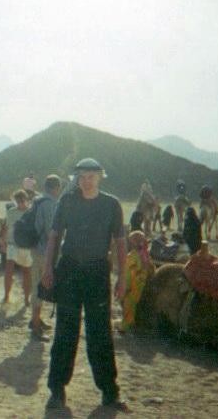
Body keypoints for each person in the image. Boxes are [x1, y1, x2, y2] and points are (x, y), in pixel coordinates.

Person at [40, 158, 128, 411]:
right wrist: (48, 268)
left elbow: (120, 241)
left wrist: (122, 278)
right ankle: (57, 390)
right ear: (77, 179)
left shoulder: (111, 204)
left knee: (100, 332)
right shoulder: (67, 202)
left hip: (97, 272)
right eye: (82, 177)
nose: (87, 181)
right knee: (65, 331)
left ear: (100, 177)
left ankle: (109, 392)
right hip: (69, 271)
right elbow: (54, 235)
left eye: (91, 176)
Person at [29, 174, 62, 340]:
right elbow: (51, 231)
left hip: (35, 248)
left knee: (37, 284)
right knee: (40, 287)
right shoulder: (50, 204)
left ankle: (36, 319)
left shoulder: (37, 201)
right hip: (44, 250)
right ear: (56, 187)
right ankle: (35, 326)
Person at [118, 230, 155, 333]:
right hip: (143, 284)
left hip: (134, 286)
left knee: (128, 305)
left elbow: (128, 275)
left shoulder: (131, 257)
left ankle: (125, 326)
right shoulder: (145, 255)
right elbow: (152, 270)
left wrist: (125, 287)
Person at [0, 190, 32, 306]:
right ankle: (6, 296)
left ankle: (26, 298)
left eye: (22, 200)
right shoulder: (11, 212)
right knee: (9, 269)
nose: (20, 203)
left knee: (26, 272)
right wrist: (3, 243)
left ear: (26, 200)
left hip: (26, 245)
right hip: (12, 243)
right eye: (18, 201)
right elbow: (6, 227)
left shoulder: (31, 212)